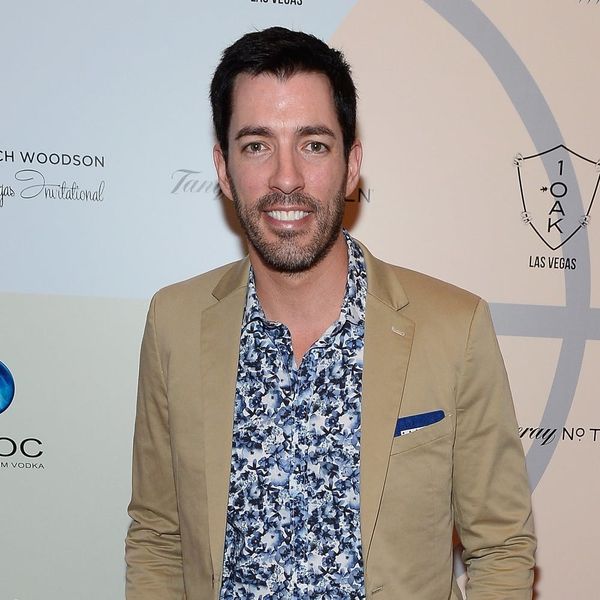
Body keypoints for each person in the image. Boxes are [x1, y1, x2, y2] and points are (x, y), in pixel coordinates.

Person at [126, 27, 536, 600]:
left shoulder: (454, 328)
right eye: (257, 145)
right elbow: (157, 536)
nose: (286, 178)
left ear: (351, 165)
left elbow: (501, 547)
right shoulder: (173, 322)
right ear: (223, 168)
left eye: (313, 144)